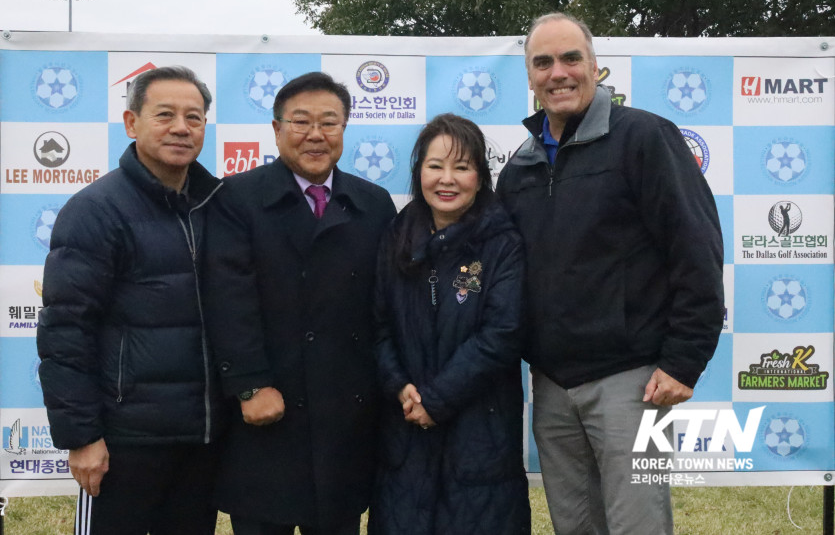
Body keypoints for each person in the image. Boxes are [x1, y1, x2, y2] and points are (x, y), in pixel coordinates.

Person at [496, 13, 724, 534]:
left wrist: (684, 362)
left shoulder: (645, 138)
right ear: (529, 77)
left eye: (571, 58)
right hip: (552, 388)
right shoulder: (520, 169)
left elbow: (697, 250)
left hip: (633, 384)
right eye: (543, 62)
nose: (559, 72)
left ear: (595, 68)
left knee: (637, 527)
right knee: (575, 528)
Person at [203, 71, 397, 535]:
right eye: (301, 122)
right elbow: (227, 298)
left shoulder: (373, 204)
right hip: (268, 409)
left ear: (344, 130)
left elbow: (387, 306)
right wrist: (250, 386)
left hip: (344, 414)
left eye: (329, 123)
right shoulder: (237, 198)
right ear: (276, 129)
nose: (316, 135)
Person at [37, 65, 226, 535]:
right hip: (124, 444)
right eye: (165, 114)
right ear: (131, 123)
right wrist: (82, 437)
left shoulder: (218, 206)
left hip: (198, 441)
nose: (181, 127)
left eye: (194, 117)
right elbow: (65, 333)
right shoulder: (96, 210)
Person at [369, 113, 531, 535]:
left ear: (480, 177)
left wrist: (436, 401)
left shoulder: (502, 242)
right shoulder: (396, 235)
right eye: (435, 165)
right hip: (404, 429)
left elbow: (502, 334)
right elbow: (378, 324)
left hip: (481, 428)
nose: (447, 179)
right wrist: (399, 385)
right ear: (419, 171)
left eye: (462, 167)